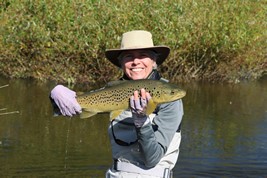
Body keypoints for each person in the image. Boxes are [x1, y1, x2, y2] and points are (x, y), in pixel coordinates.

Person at [50, 30, 184, 178]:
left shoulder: (171, 101)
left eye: (143, 55)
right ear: (121, 63)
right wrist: (55, 94)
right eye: (129, 56)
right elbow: (74, 103)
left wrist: (142, 122)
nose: (136, 61)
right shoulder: (112, 89)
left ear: (154, 62)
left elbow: (152, 159)